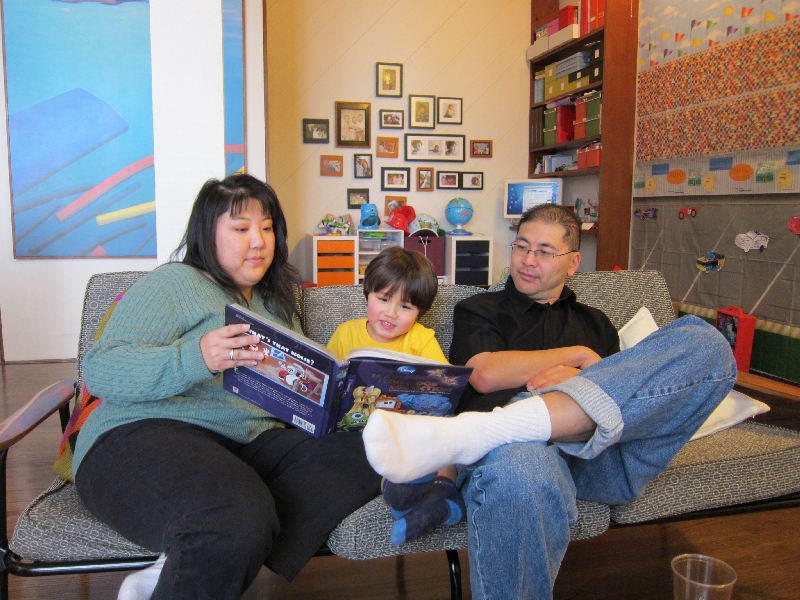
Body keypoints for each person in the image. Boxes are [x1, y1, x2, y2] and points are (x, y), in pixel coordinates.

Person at [363, 204, 736, 599]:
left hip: (596, 454)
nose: (528, 260)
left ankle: (493, 428)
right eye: (522, 246)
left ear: (573, 263)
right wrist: (577, 356)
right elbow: (484, 374)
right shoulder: (481, 309)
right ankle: (509, 427)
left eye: (544, 251)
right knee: (520, 469)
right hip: (516, 453)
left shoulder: (597, 322)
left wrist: (581, 382)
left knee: (705, 342)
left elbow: (621, 398)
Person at [74, 174, 381, 600]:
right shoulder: (173, 283)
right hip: (149, 429)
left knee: (371, 449)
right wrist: (197, 356)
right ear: (207, 233)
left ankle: (199, 555)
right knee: (235, 515)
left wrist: (336, 399)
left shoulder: (275, 303)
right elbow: (103, 369)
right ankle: (216, 541)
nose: (259, 241)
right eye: (241, 229)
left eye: (267, 228)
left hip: (251, 441)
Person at [327, 246, 465, 545]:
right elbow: (331, 383)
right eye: (383, 299)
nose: (391, 313)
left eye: (405, 306)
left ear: (420, 312)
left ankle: (444, 488)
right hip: (359, 435)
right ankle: (409, 497)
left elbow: (443, 389)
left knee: (446, 428)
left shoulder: (421, 339)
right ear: (368, 293)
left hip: (409, 431)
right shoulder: (346, 334)